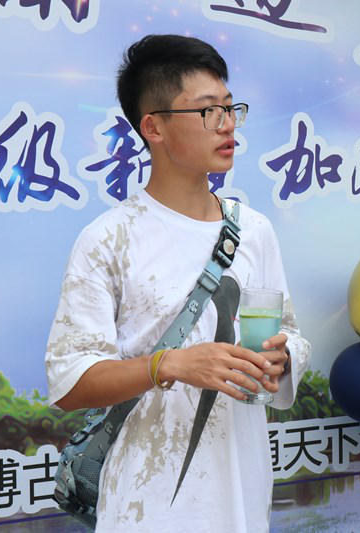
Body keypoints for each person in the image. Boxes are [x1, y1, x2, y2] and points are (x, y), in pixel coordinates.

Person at [45, 34, 310, 532]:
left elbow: (291, 333)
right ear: (154, 127)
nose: (227, 124)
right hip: (145, 509)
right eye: (208, 111)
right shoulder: (109, 238)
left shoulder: (254, 231)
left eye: (230, 108)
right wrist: (171, 365)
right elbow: (70, 382)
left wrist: (284, 356)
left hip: (242, 499)